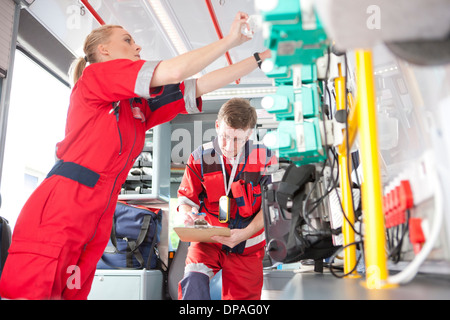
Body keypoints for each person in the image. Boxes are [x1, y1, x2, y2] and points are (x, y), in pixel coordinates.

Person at [0, 12, 271, 300]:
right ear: (103, 50)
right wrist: (229, 41)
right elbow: (176, 71)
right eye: (128, 40)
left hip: (99, 215)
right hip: (63, 205)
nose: (138, 47)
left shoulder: (134, 108)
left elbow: (200, 84)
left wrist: (261, 57)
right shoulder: (94, 77)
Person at [177, 98, 278, 300]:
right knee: (193, 284)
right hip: (208, 240)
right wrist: (188, 217)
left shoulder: (266, 159)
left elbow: (271, 208)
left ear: (249, 134)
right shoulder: (199, 157)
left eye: (236, 139)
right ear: (217, 126)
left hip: (247, 246)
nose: (227, 145)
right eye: (223, 136)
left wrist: (243, 234)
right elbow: (187, 200)